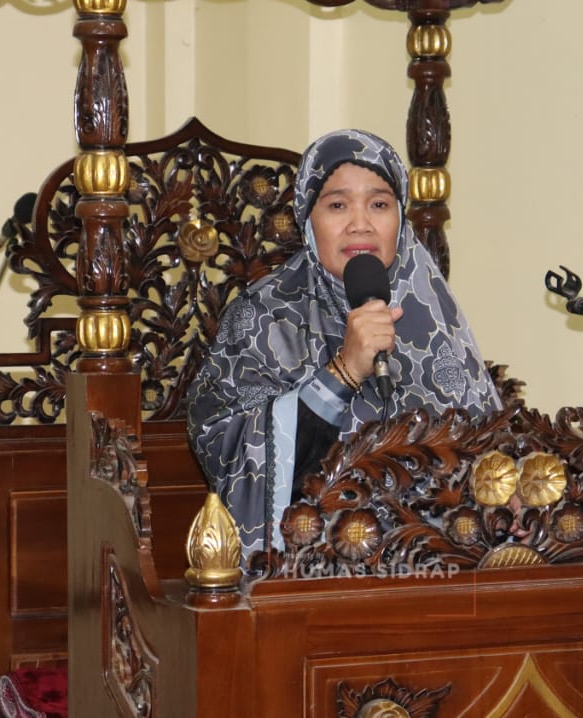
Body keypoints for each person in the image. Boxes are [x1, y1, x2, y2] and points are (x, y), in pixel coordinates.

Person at [187, 128, 501, 560]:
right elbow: (226, 449)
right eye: (337, 205)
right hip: (313, 567)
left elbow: (485, 447)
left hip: (435, 565)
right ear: (308, 220)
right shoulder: (260, 317)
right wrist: (343, 372)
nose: (360, 224)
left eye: (379, 204)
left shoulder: (431, 315)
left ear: (400, 219)